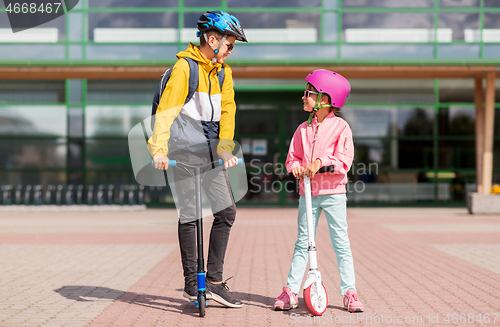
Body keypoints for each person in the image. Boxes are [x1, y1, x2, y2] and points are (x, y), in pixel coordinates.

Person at [148, 10, 247, 308]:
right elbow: (166, 111)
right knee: (190, 216)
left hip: (212, 153)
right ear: (212, 39)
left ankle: (214, 282)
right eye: (229, 44)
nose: (231, 50)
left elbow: (228, 111)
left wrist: (226, 148)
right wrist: (159, 150)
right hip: (183, 153)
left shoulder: (223, 73)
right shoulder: (184, 69)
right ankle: (193, 284)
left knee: (226, 213)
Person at [273, 70, 364, 313]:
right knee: (303, 242)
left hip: (334, 193)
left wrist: (319, 163)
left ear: (325, 99)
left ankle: (349, 293)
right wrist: (295, 168)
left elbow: (344, 162)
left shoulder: (341, 128)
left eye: (308, 93)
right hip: (308, 194)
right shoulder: (302, 129)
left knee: (340, 243)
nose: (303, 97)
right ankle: (290, 291)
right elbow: (292, 158)